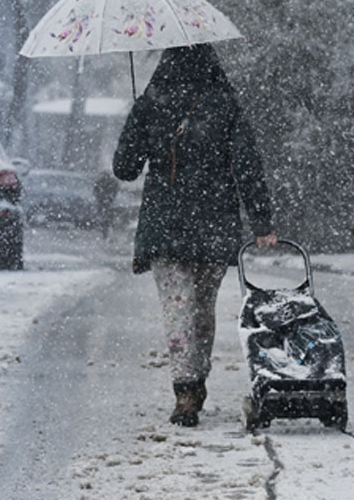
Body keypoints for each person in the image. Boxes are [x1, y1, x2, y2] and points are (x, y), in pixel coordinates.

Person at [113, 44, 276, 428]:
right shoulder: (225, 104)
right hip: (215, 224)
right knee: (202, 308)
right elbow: (247, 165)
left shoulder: (151, 103)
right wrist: (262, 221)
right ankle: (196, 379)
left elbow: (124, 169)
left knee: (177, 310)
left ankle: (185, 391)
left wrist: (138, 120)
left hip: (165, 226)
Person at [92, 170, 118, 238]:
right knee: (104, 217)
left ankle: (106, 230)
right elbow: (95, 191)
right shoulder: (100, 182)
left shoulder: (112, 182)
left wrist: (109, 198)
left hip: (107, 202)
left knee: (107, 218)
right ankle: (105, 230)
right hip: (103, 202)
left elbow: (115, 191)